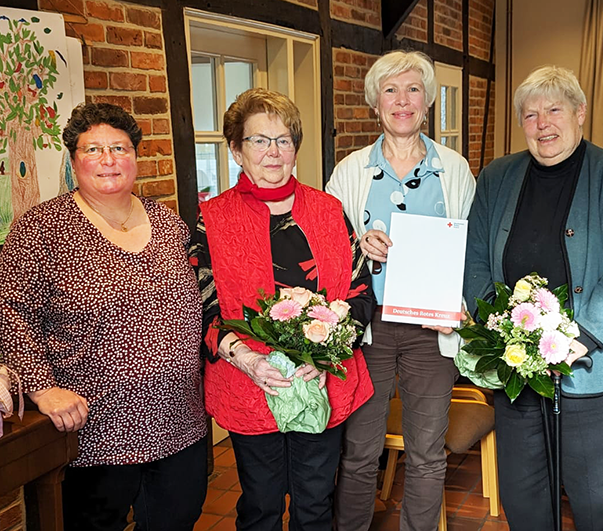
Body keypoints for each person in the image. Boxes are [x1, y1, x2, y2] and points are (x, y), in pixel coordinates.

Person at [0, 102, 208, 531]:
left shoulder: (168, 222)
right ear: (73, 159)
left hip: (179, 422)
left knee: (178, 521)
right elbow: (11, 310)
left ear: (136, 156)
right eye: (93, 149)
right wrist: (40, 389)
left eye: (120, 147)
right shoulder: (42, 229)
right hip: (94, 434)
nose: (109, 160)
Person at [464, 66, 603, 531]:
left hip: (593, 367)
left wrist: (580, 337)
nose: (542, 123)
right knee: (524, 492)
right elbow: (473, 261)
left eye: (553, 110)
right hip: (516, 364)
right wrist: (503, 328)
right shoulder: (496, 176)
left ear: (580, 113)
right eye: (530, 115)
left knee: (598, 499)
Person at [190, 88, 375, 531]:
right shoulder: (211, 218)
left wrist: (328, 354)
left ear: (295, 147)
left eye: (284, 140)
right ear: (236, 150)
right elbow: (203, 308)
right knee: (261, 504)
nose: (273, 152)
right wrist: (248, 358)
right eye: (259, 140)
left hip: (322, 377)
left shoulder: (329, 210)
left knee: (315, 502)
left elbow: (360, 289)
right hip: (250, 381)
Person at [327, 50, 476, 530]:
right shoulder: (350, 171)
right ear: (375, 103)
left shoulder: (454, 169)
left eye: (413, 89)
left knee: (428, 452)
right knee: (359, 451)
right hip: (367, 328)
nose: (402, 100)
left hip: (431, 330)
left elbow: (473, 248)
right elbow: (325, 249)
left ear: (428, 100)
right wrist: (357, 242)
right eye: (390, 90)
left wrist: (463, 309)